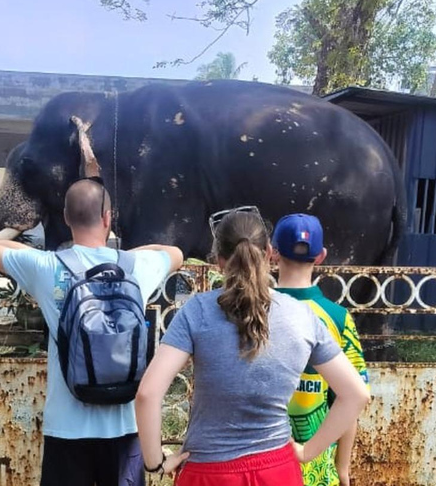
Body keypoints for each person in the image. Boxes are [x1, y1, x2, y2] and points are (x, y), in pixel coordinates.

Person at [135, 208, 370, 486]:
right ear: (269, 251)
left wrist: (156, 463)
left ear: (219, 261)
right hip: (278, 471)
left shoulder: (196, 312)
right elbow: (356, 394)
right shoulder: (302, 316)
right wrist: (308, 451)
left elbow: (148, 395)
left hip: (208, 473)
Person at [0, 177, 183, 486]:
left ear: (65, 218)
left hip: (67, 430)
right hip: (123, 430)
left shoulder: (47, 267)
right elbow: (175, 252)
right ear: (107, 218)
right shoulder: (136, 267)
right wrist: (125, 254)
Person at [271, 213, 370, 486]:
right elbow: (349, 398)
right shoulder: (338, 318)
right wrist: (343, 468)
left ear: (272, 253)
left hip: (260, 459)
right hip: (314, 462)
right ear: (321, 256)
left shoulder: (257, 311)